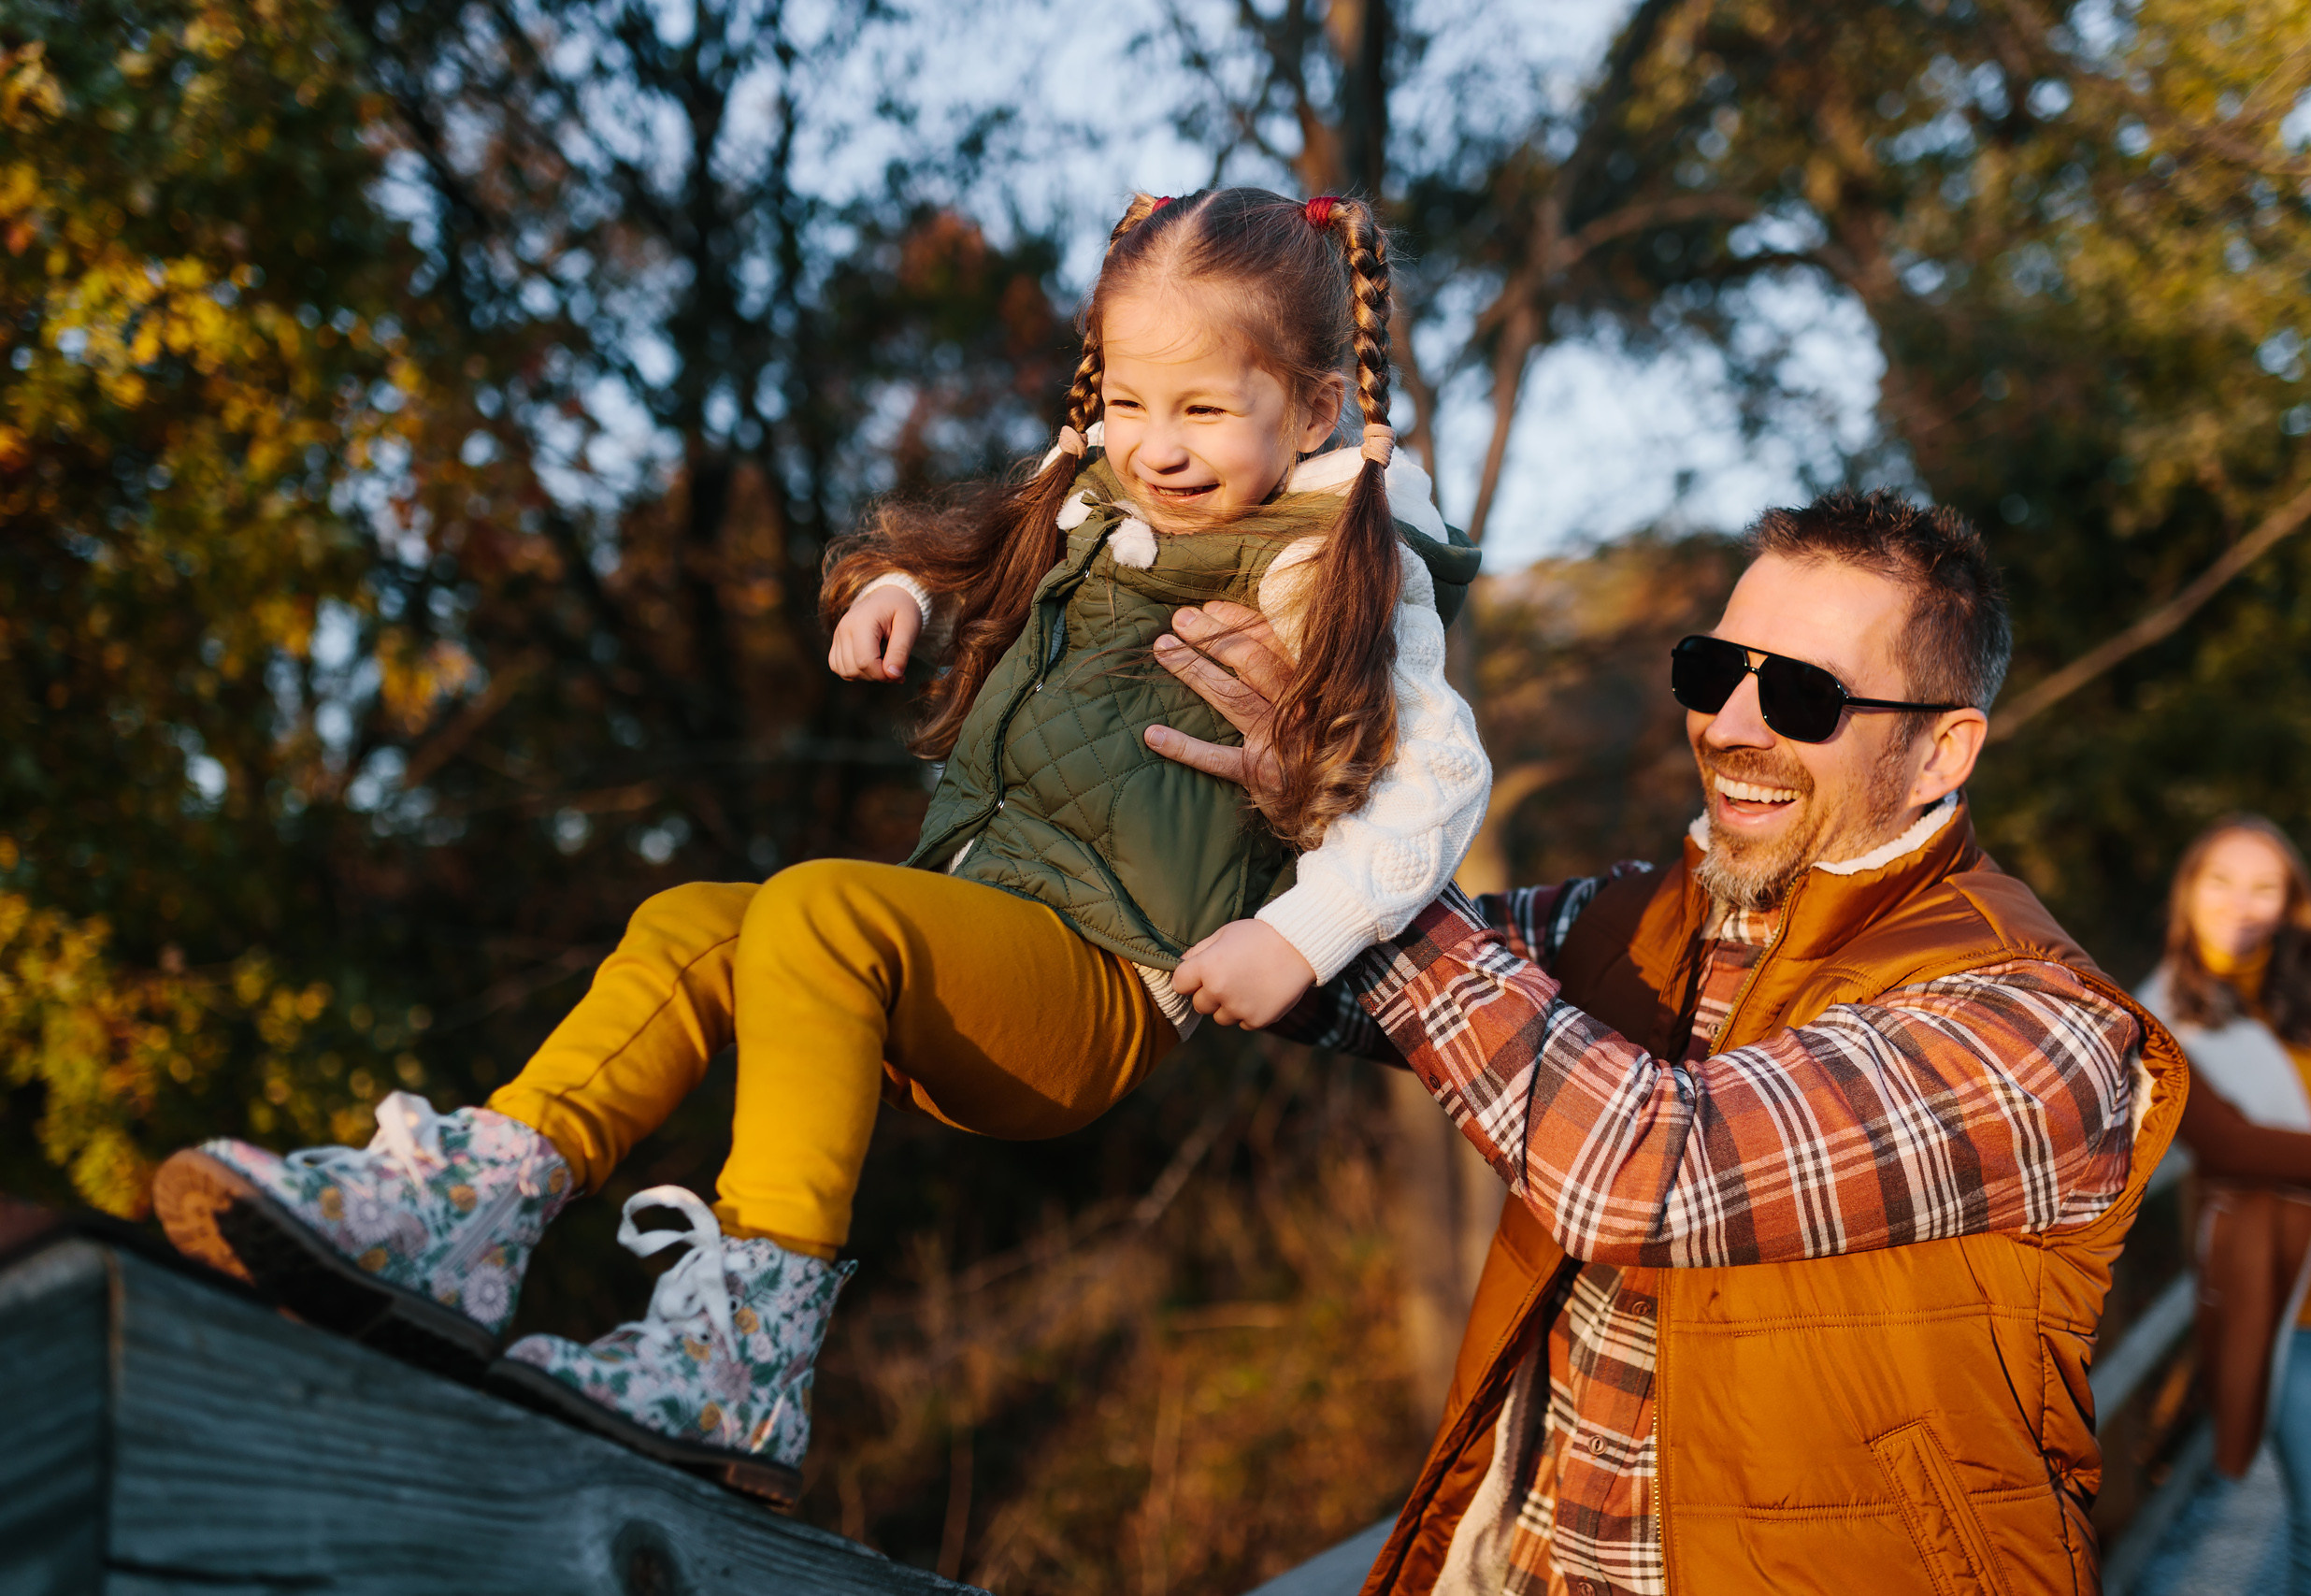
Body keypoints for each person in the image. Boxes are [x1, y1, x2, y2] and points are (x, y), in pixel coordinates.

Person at [150, 187, 1491, 1500]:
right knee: (693, 922)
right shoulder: (1088, 497)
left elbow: (1443, 770)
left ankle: (743, 1348)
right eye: (1131, 401)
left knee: (819, 906)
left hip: (1099, 985)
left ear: (1314, 404)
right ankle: (471, 1209)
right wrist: (905, 588)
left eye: (1205, 408)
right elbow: (982, 556)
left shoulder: (1324, 555)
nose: (1158, 443)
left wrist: (1294, 935)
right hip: (973, 934)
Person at [1143, 489, 2190, 1593]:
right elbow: (1355, 978)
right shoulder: (1642, 917)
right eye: (1713, 672)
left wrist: (1358, 826)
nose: (1729, 727)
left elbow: (1641, 1170)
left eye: (1799, 694)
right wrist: (1242, 789)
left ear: (1940, 753)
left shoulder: (2031, 1023)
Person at [2140, 822, 2311, 1596]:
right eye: (2220, 879)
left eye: (2265, 885)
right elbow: (2233, 1148)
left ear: (2291, 902)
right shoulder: (2159, 1012)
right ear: (2186, 891)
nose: (2240, 903)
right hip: (2292, 1307)